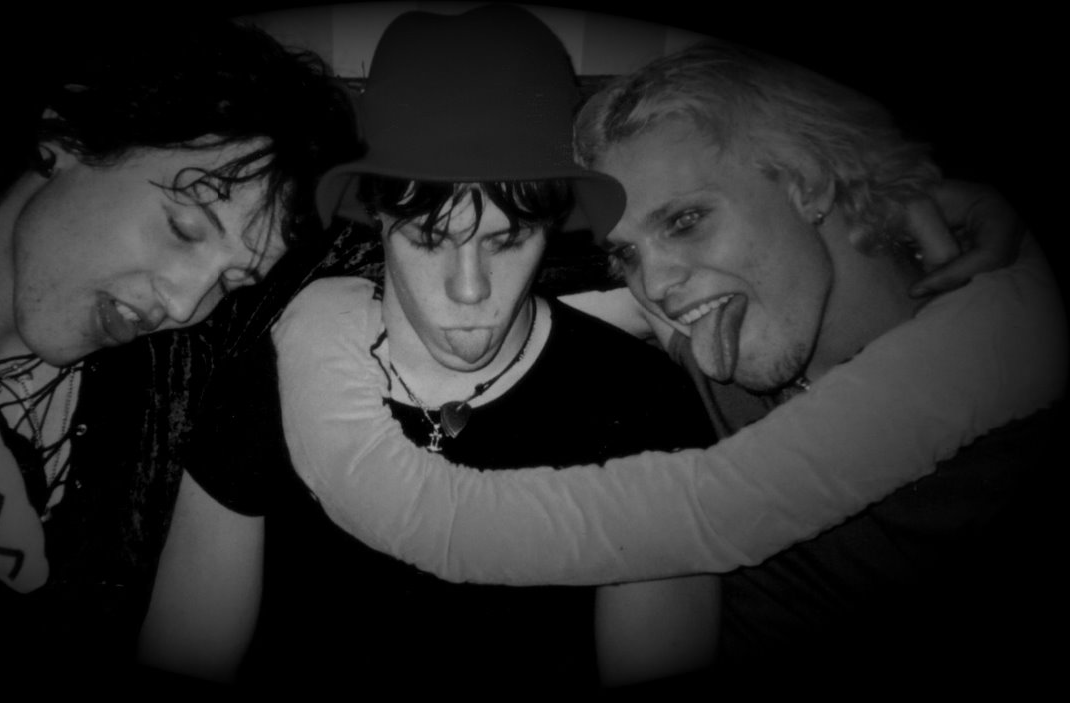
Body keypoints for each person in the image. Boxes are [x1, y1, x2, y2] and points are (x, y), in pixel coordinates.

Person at [268, 13, 1065, 689]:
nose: (658, 285)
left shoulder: (1007, 391)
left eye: (686, 221)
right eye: (627, 254)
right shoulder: (713, 350)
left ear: (808, 179)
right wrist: (323, 312)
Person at [0, 22, 357, 690]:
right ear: (64, 140)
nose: (183, 304)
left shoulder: (187, 373)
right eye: (183, 229)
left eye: (232, 280)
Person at [184, 6, 720, 692]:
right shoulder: (265, 380)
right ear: (376, 215)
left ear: (552, 226)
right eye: (429, 239)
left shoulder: (642, 406)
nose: (470, 290)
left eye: (508, 239)